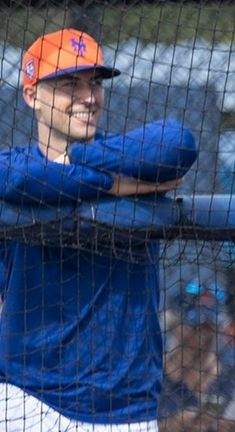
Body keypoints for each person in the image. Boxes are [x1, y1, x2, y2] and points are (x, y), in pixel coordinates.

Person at [0, 28, 197, 430]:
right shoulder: (17, 168)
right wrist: (111, 185)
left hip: (126, 405)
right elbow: (13, 177)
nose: (88, 97)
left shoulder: (130, 158)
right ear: (31, 94)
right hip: (31, 398)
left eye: (94, 84)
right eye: (69, 84)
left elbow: (180, 143)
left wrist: (80, 160)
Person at [159, 282, 235, 432]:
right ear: (173, 324)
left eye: (210, 326)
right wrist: (172, 425)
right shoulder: (150, 381)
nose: (204, 334)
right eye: (196, 326)